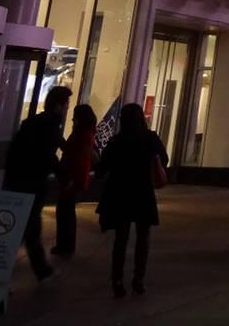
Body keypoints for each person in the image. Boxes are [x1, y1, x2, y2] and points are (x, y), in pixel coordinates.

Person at [94, 102, 169, 297]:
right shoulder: (150, 138)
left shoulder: (117, 141)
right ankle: (138, 279)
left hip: (120, 192)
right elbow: (165, 160)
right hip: (143, 191)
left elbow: (103, 168)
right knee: (143, 238)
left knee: (121, 239)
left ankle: (117, 280)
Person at [3, 85, 71, 281]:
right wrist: (64, 177)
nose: (67, 109)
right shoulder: (49, 126)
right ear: (59, 105)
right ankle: (39, 269)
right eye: (66, 105)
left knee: (20, 224)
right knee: (30, 225)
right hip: (32, 181)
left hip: (18, 178)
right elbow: (48, 156)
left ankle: (5, 267)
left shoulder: (33, 123)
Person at [52, 102, 97, 258]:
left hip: (73, 175)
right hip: (76, 174)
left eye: (75, 117)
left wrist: (61, 142)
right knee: (67, 210)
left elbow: (77, 154)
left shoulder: (82, 134)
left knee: (65, 210)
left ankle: (65, 245)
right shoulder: (87, 133)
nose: (72, 120)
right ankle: (66, 245)